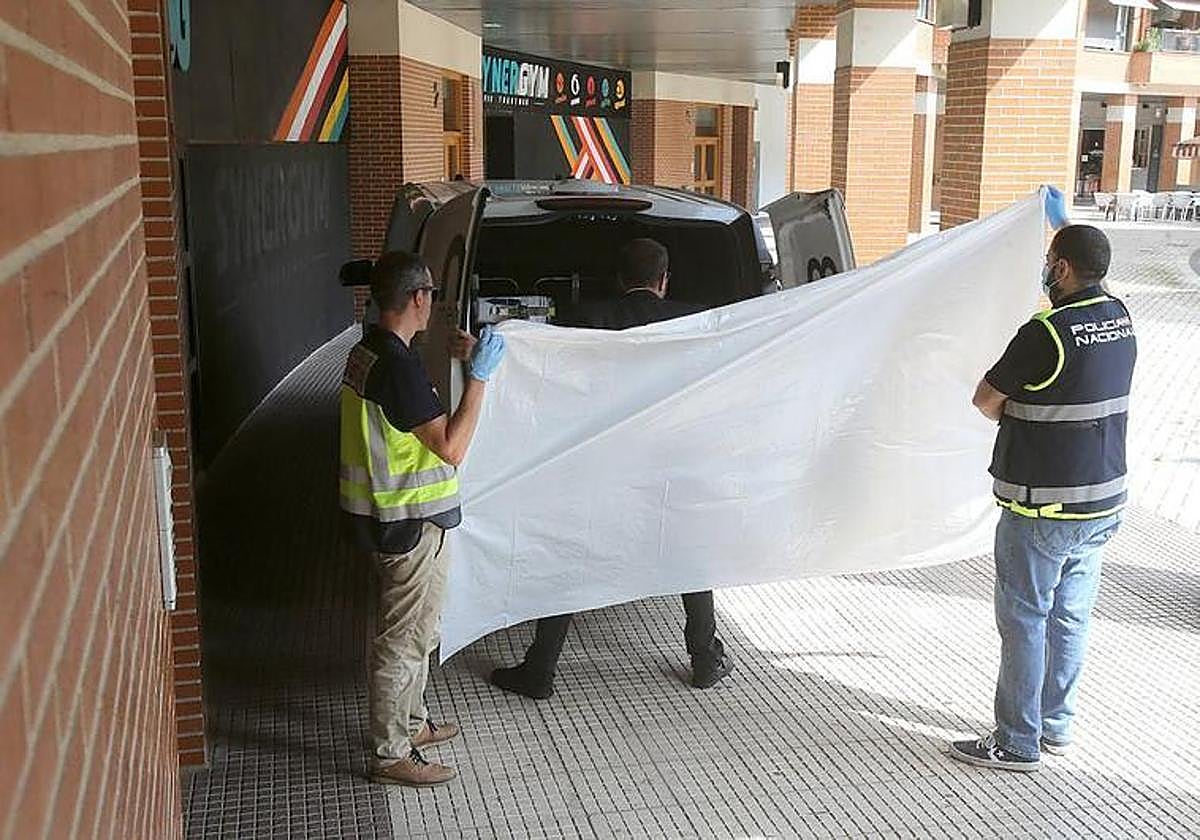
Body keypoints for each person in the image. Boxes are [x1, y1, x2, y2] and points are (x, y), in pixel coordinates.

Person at [488, 237, 735, 700]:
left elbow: (544, 371)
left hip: (599, 465)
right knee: (689, 555)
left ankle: (540, 669)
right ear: (664, 280)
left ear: (620, 279)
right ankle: (704, 656)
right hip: (669, 461)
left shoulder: (584, 320)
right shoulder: (695, 322)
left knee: (569, 556)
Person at [950, 195, 1136, 773]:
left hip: (1043, 508)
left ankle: (1016, 741)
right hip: (1101, 503)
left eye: (1050, 261)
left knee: (1025, 619)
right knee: (1070, 616)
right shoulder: (1119, 316)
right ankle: (1055, 726)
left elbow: (985, 399)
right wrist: (1061, 222)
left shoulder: (1047, 333)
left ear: (1061, 267)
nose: (1046, 270)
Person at [340, 251, 506, 787]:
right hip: (407, 525)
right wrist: (479, 379)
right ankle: (390, 753)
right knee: (402, 638)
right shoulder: (397, 366)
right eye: (431, 293)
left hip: (399, 518)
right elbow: (450, 448)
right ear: (417, 298)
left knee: (421, 629)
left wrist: (463, 359)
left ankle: (412, 724)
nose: (433, 303)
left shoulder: (370, 350)